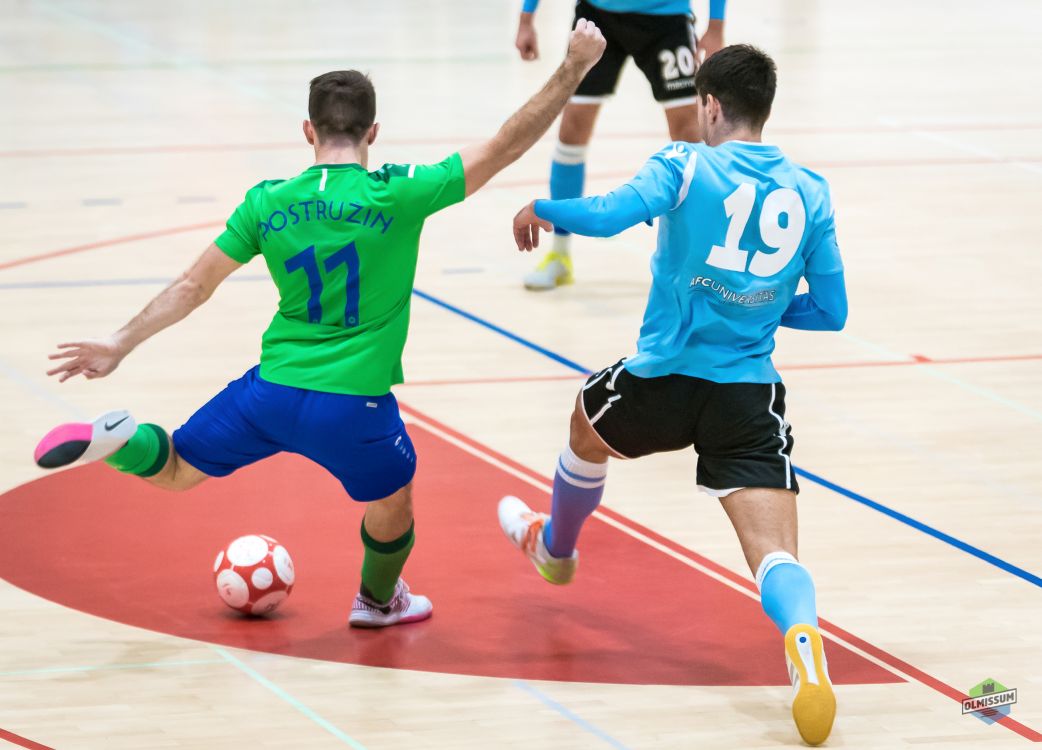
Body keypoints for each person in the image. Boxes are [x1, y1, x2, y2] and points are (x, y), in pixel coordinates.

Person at [34, 21, 607, 629]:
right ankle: (378, 601)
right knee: (394, 499)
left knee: (174, 468)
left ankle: (122, 440)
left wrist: (118, 343)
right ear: (373, 132)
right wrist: (573, 67)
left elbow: (192, 286)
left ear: (308, 130)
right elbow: (504, 146)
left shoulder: (267, 201)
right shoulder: (399, 193)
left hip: (270, 392)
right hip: (354, 405)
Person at [499, 44, 847, 745]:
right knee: (775, 555)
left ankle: (556, 549)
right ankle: (805, 646)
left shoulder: (685, 165)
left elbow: (608, 215)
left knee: (585, 424)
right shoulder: (810, 190)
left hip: (662, 380)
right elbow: (832, 312)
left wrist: (541, 205)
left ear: (710, 106)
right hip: (746, 395)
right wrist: (760, 303)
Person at [515, 0, 727, 290]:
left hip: (665, 20)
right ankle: (559, 256)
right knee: (571, 131)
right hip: (597, 17)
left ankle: (705, 259)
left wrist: (716, 26)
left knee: (690, 139)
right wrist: (526, 18)